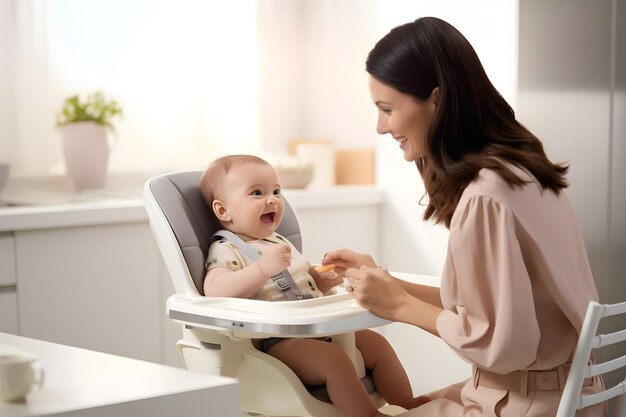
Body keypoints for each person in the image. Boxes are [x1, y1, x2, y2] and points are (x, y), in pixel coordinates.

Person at [322, 17, 605, 417]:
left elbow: (502, 346)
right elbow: (495, 311)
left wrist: (400, 306)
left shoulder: (485, 197)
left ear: (435, 100)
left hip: (524, 403)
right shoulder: (524, 172)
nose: (381, 126)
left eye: (387, 109)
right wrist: (389, 285)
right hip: (567, 395)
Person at [199, 154, 428, 417]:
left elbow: (298, 285)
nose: (272, 199)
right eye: (257, 193)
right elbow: (215, 290)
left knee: (377, 344)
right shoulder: (228, 249)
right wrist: (262, 269)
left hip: (313, 328)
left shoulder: (277, 241)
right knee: (335, 360)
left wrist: (321, 279)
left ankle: (408, 404)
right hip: (279, 340)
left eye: (276, 191)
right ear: (222, 210)